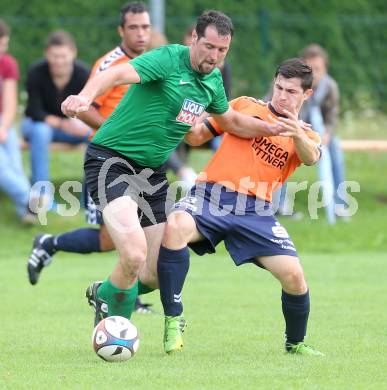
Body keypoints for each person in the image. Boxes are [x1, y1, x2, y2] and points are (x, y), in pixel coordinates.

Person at [61, 10, 285, 327]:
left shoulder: (213, 81)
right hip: (111, 162)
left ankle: (105, 292)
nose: (215, 56)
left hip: (151, 175)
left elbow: (231, 121)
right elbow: (113, 75)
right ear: (194, 38)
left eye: (222, 51)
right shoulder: (167, 59)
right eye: (209, 47)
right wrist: (84, 98)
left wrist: (273, 128)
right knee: (134, 253)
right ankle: (116, 329)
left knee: (153, 271)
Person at [157, 58, 324, 356]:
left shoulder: (307, 135)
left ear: (306, 95)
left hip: (255, 211)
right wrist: (183, 108)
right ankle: (173, 319)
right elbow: (196, 136)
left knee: (295, 276)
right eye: (279, 87)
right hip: (211, 196)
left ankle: (295, 343)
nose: (282, 95)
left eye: (291, 91)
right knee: (174, 228)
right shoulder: (245, 106)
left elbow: (311, 158)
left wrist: (295, 131)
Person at [26, 2, 153, 313]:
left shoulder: (154, 61)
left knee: (138, 238)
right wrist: (118, 132)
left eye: (145, 27)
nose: (140, 33)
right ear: (121, 31)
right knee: (113, 239)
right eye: (133, 27)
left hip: (143, 164)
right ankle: (50, 245)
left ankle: (123, 295)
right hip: (108, 162)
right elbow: (85, 108)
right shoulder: (109, 64)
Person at [22, 30, 91, 205]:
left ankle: (89, 196)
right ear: (46, 54)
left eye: (63, 56)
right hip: (39, 124)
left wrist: (80, 123)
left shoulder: (83, 74)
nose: (59, 61)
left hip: (73, 125)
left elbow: (89, 108)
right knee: (40, 131)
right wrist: (62, 123)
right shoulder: (36, 72)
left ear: (73, 53)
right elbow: (34, 110)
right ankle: (43, 197)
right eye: (54, 56)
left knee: (97, 135)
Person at [300, 44, 345, 224]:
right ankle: (279, 206)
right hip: (297, 129)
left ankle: (340, 203)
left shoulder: (330, 86)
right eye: (310, 69)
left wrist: (326, 134)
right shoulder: (294, 83)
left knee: (335, 146)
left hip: (321, 131)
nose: (314, 73)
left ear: (325, 68)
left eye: (318, 69)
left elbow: (333, 118)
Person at [0, 19, 35, 224]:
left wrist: (3, 127)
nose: (4, 49)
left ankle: (26, 211)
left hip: (3, 124)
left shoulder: (7, 63)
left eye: (5, 44)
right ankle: (31, 201)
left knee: (15, 163)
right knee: (2, 164)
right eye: (1, 45)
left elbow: (10, 104)